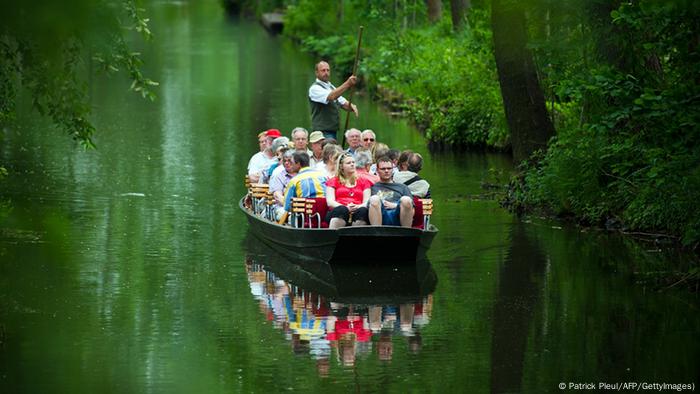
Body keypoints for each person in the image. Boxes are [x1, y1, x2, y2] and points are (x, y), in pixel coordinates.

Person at [308, 61, 359, 140]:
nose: (326, 73)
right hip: (322, 133)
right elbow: (331, 96)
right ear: (316, 72)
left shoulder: (330, 87)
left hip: (332, 131)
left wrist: (351, 106)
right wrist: (348, 84)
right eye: (323, 70)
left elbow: (343, 103)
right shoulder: (314, 88)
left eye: (328, 70)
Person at [325, 152, 372, 229]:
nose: (352, 164)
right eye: (348, 163)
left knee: (363, 211)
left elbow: (367, 202)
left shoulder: (364, 181)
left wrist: (357, 206)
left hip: (357, 209)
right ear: (341, 166)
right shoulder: (333, 181)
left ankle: (353, 238)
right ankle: (333, 238)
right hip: (338, 210)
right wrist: (346, 207)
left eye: (353, 162)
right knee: (342, 210)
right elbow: (330, 202)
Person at [368, 156, 414, 227]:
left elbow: (412, 210)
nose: (386, 171)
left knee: (406, 200)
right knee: (374, 199)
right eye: (383, 169)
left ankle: (406, 233)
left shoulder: (402, 187)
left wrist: (395, 206)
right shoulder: (372, 187)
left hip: (398, 216)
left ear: (393, 170)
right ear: (377, 171)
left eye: (389, 168)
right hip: (380, 215)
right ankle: (377, 233)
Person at [269, 149, 297, 220]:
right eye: (285, 161)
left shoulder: (302, 175)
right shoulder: (279, 176)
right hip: (282, 207)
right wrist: (290, 208)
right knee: (290, 216)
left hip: (301, 208)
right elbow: (278, 196)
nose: (287, 163)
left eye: (289, 161)